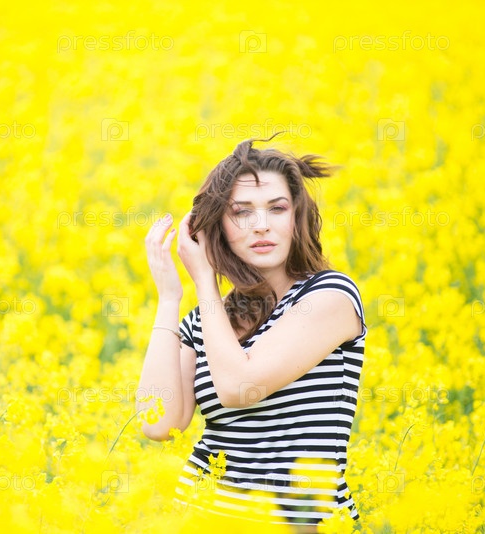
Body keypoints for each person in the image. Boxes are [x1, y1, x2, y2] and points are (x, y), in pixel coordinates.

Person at [136, 133, 367, 532]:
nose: (261, 226)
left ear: (296, 218)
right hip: (203, 520)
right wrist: (170, 298)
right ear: (217, 228)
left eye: (277, 208)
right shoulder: (208, 319)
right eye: (241, 212)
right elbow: (158, 424)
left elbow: (238, 387)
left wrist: (204, 281)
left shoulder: (330, 296)